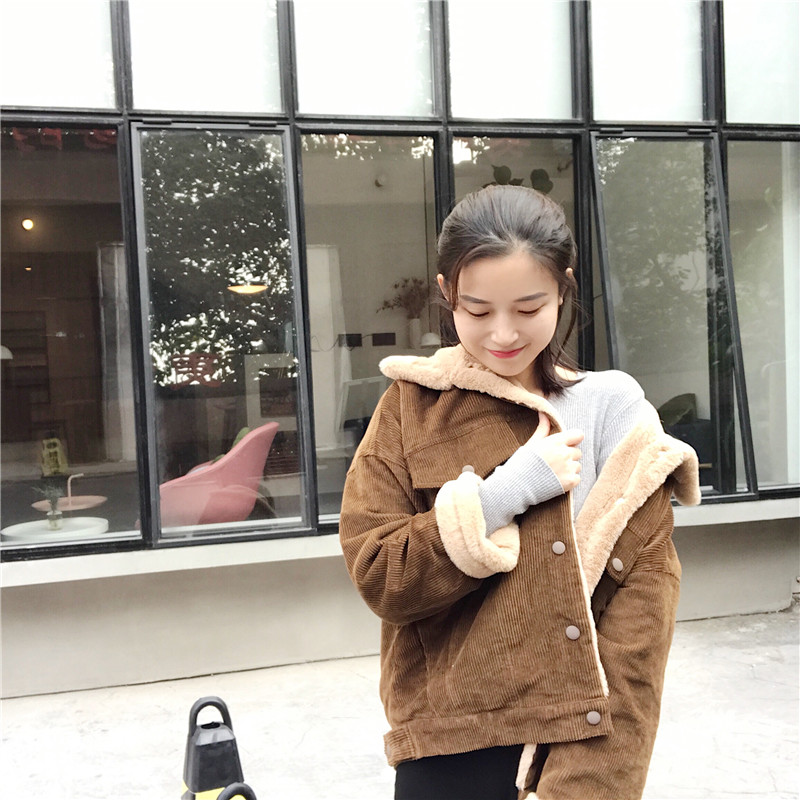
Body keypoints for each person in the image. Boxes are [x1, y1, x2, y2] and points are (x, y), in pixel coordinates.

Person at [339, 185, 700, 800]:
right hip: (448, 742)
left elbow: (640, 628)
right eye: (477, 311)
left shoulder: (612, 412)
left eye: (528, 308)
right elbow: (382, 578)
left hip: (583, 736)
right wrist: (502, 494)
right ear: (447, 292)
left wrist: (590, 784)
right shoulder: (409, 409)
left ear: (563, 288)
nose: (502, 334)